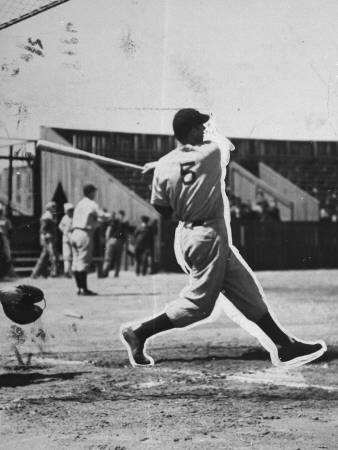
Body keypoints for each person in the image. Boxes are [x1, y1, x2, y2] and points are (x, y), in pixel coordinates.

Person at [120, 108, 326, 368]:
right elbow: (209, 151)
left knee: (246, 290)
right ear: (191, 131)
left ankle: (285, 345)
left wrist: (161, 169)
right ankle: (139, 332)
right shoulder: (213, 150)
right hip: (208, 236)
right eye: (200, 126)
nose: (205, 129)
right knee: (200, 305)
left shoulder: (165, 165)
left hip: (189, 234)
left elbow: (162, 208)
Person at [70, 184, 110, 295]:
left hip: (74, 233)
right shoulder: (90, 203)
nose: (94, 195)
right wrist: (110, 215)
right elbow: (100, 214)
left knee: (75, 262)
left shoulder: (79, 203)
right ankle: (84, 289)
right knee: (83, 262)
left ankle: (79, 288)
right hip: (84, 233)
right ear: (91, 192)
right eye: (94, 192)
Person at [31, 201, 59, 279]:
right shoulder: (47, 216)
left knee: (45, 257)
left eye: (55, 206)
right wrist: (46, 235)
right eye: (53, 206)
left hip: (50, 239)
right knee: (53, 256)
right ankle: (51, 273)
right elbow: (42, 229)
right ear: (49, 208)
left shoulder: (50, 216)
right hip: (48, 239)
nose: (55, 208)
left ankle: (38, 273)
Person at [102, 210, 129, 278]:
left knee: (108, 257)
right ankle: (116, 273)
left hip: (112, 240)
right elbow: (126, 234)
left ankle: (105, 271)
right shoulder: (124, 223)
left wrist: (107, 241)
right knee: (118, 258)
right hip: (120, 241)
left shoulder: (114, 221)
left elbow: (108, 231)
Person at [0, 205, 16, 279]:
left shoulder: (6, 220)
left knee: (7, 256)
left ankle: (8, 273)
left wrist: (7, 239)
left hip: (4, 239)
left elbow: (10, 230)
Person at [58, 202, 74, 277]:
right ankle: (66, 271)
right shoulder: (65, 217)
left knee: (74, 255)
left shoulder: (74, 217)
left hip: (73, 237)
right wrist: (65, 231)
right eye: (69, 210)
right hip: (66, 238)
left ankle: (73, 271)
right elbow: (60, 226)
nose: (70, 212)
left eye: (71, 210)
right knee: (66, 255)